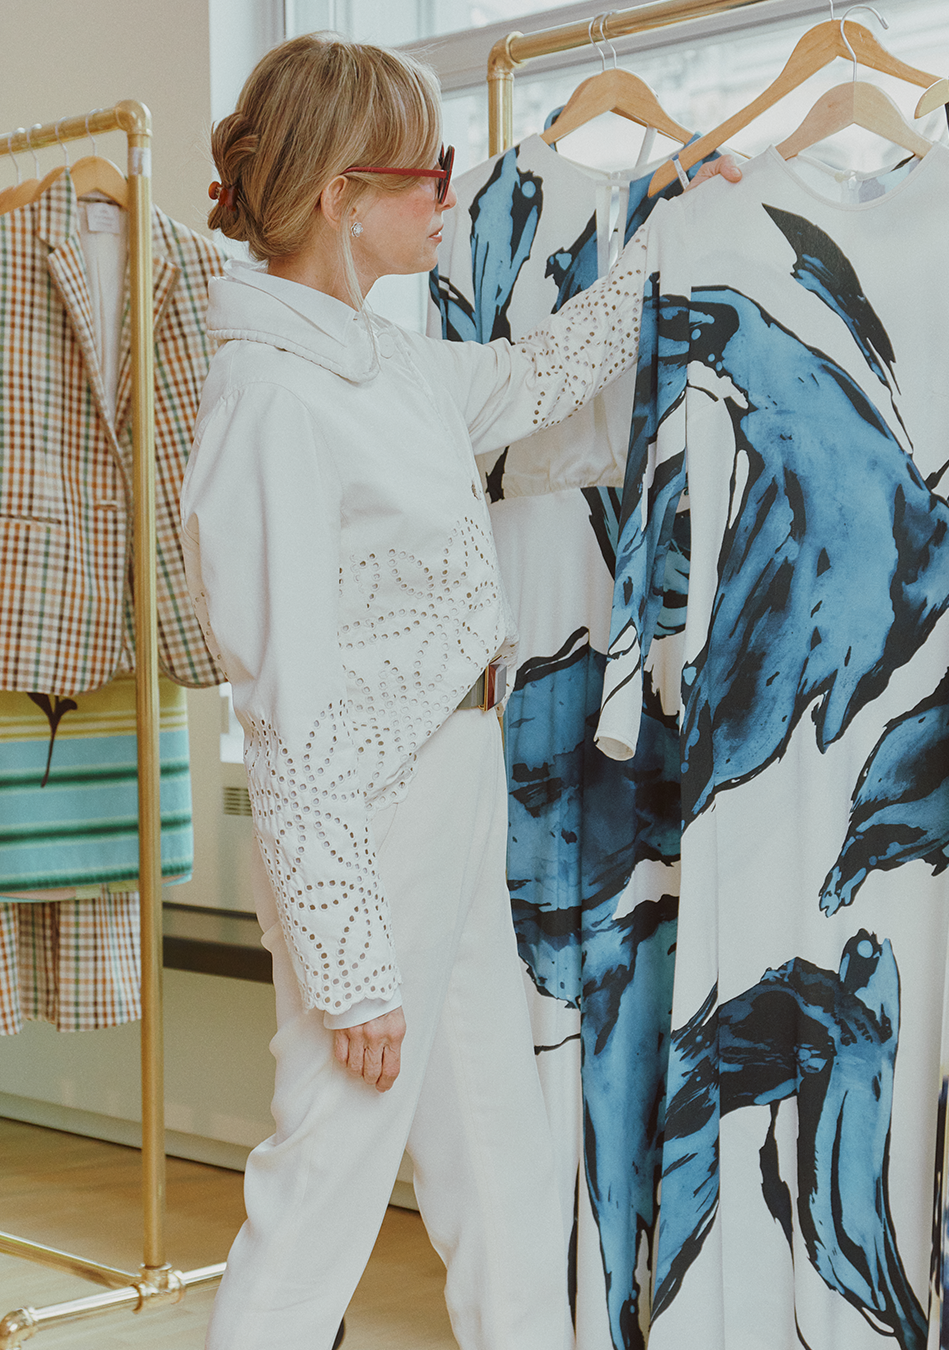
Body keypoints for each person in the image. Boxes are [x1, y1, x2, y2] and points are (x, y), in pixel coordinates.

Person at [181, 31, 740, 1350]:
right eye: (426, 172)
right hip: (370, 826)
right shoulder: (270, 396)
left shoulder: (384, 362)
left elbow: (534, 375)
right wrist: (350, 956)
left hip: (454, 788)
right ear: (341, 199)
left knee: (504, 1160)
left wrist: (667, 231)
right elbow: (291, 712)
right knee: (323, 1182)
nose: (450, 190)